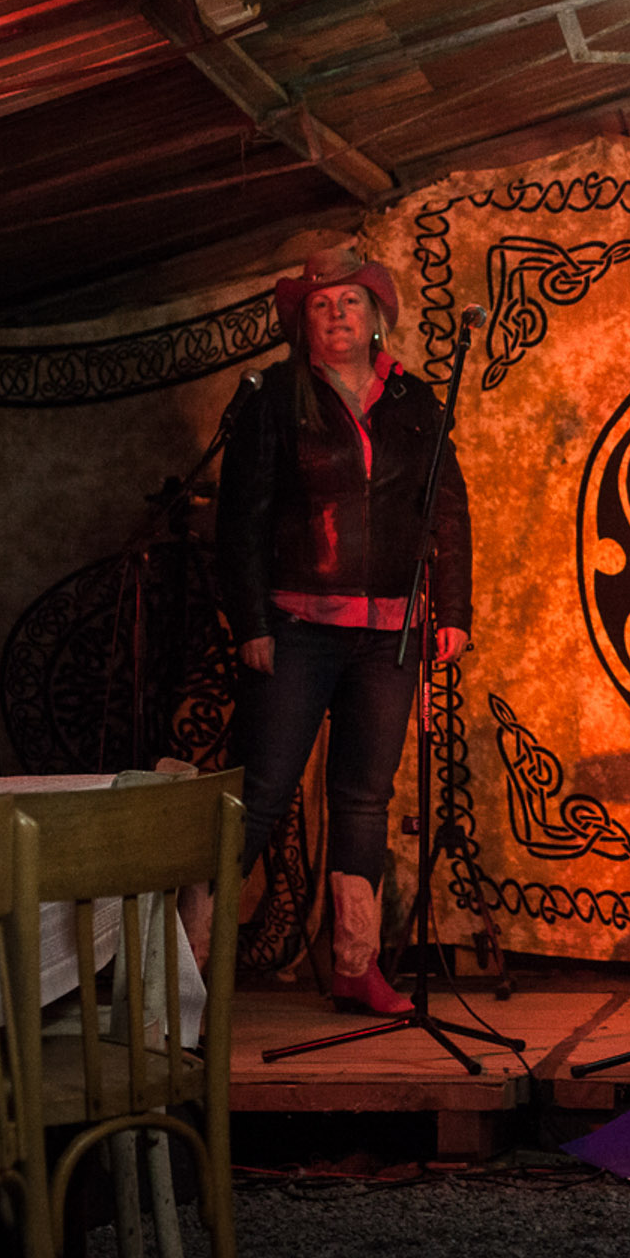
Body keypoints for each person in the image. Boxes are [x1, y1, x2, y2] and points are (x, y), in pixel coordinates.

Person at [216, 245, 473, 1015]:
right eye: (320, 304)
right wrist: (251, 622)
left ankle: (356, 966)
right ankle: (179, 961)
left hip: (390, 634)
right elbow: (241, 520)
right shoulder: (272, 400)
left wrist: (452, 612)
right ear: (302, 321)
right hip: (296, 625)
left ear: (375, 315)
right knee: (258, 793)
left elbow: (447, 511)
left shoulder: (415, 401)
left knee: (364, 797)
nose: (336, 314)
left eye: (349, 302)